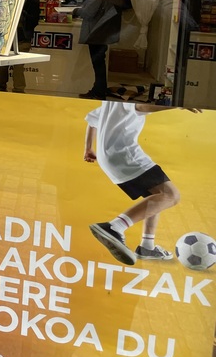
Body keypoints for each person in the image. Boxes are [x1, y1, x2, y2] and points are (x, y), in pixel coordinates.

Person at [85, 100, 200, 265]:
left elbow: (92, 119)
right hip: (124, 154)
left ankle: (147, 246)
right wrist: (177, 104)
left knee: (157, 196)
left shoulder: (109, 100)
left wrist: (88, 148)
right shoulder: (128, 96)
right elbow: (141, 106)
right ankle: (114, 227)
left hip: (109, 157)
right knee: (171, 195)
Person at [75, 0, 126, 100]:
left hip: (96, 31)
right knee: (99, 63)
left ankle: (98, 91)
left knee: (98, 64)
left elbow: (88, 12)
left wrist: (75, 11)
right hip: (104, 31)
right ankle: (99, 90)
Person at [0, 0, 41, 93]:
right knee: (19, 64)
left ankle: (1, 85)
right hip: (22, 31)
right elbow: (35, 14)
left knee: (2, 60)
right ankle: (19, 89)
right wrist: (29, 27)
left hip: (3, 29)